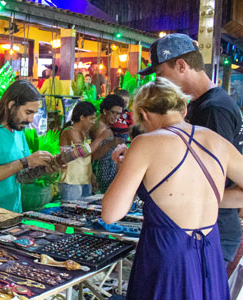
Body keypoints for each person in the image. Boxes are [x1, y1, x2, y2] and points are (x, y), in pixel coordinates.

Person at [102, 77, 243, 299]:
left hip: (167, 254)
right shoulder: (216, 141)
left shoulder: (145, 143)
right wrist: (202, 198)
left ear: (144, 115)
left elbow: (111, 213)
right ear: (184, 108)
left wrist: (123, 168)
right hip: (210, 250)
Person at [139, 33, 243, 264]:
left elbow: (208, 175)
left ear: (181, 65)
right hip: (200, 230)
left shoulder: (214, 109)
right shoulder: (203, 105)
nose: (158, 82)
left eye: (160, 73)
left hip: (209, 232)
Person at [0, 80, 60, 213]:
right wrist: (26, 161)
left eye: (34, 114)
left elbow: (21, 176)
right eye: (28, 112)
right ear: (11, 105)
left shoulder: (18, 132)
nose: (31, 120)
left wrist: (45, 169)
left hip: (12, 212)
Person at [58, 101, 101, 200]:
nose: (93, 122)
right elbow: (83, 152)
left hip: (84, 181)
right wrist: (101, 138)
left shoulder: (85, 133)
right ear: (82, 117)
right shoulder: (69, 131)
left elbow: (85, 160)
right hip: (71, 182)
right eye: (91, 118)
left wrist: (91, 175)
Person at [90, 95, 125, 193]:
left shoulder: (104, 125)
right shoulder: (100, 127)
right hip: (101, 173)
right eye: (114, 113)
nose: (116, 117)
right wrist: (112, 143)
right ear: (105, 111)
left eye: (119, 114)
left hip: (107, 171)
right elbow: (93, 155)